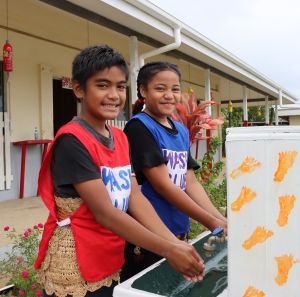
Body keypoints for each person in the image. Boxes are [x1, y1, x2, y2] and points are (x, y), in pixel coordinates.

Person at [34, 46, 205, 297]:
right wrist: (169, 250)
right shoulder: (72, 140)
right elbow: (105, 213)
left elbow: (135, 198)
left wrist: (174, 244)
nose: (113, 95)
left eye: (120, 86)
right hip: (76, 264)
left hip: (109, 255)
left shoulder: (119, 137)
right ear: (79, 89)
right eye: (102, 85)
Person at [121, 61, 227, 281]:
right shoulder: (139, 127)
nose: (169, 95)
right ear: (143, 91)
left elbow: (191, 183)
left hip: (179, 230)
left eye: (175, 89)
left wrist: (219, 219)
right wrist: (210, 222)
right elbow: (163, 186)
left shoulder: (179, 129)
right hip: (151, 236)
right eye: (160, 88)